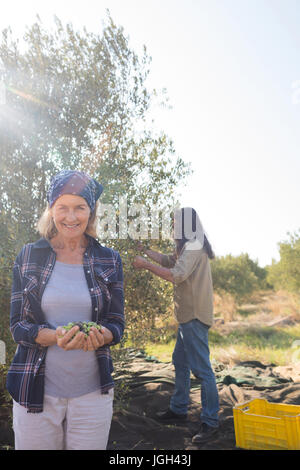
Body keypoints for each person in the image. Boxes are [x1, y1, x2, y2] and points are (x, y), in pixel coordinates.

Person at [6, 169, 125, 450]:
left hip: (92, 396)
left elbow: (117, 323)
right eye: (63, 208)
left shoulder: (110, 259)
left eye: (80, 208)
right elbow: (17, 325)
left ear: (91, 211)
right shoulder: (28, 256)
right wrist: (55, 336)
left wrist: (104, 335)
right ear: (51, 210)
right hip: (34, 391)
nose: (71, 217)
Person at [132, 207, 219, 444]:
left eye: (175, 223)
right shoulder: (187, 247)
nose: (173, 227)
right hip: (186, 317)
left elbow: (175, 275)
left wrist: (146, 265)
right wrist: (147, 252)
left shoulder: (194, 246)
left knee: (202, 371)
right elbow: (169, 261)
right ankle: (179, 409)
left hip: (194, 316)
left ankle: (210, 421)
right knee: (180, 362)